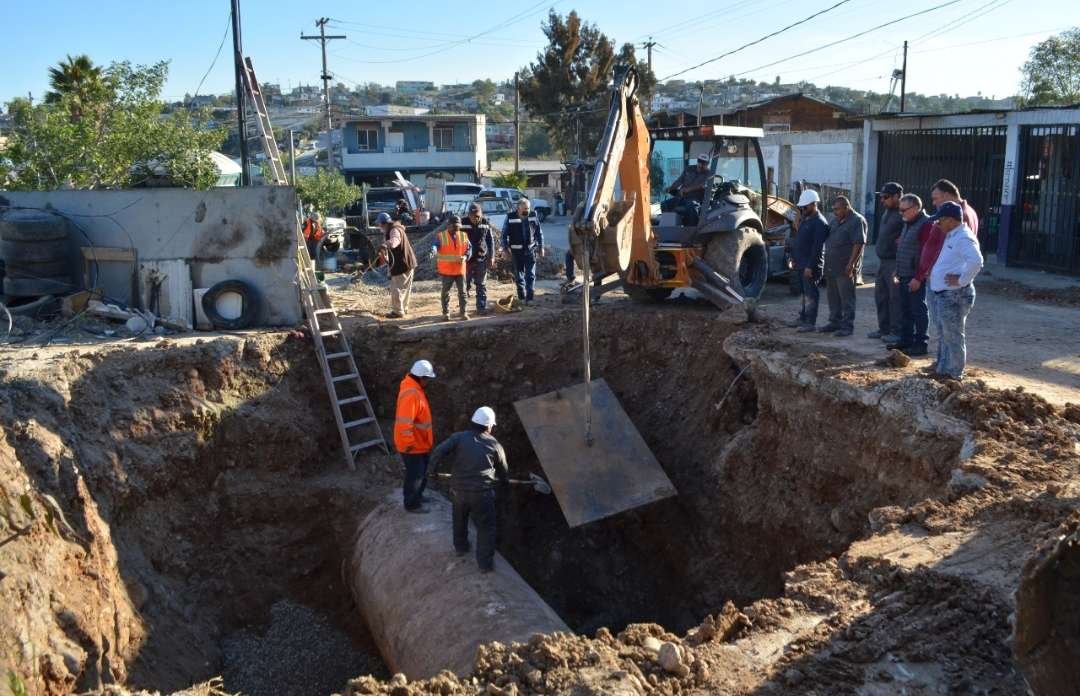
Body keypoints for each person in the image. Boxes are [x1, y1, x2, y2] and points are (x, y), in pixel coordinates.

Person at [429, 406, 509, 573]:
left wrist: (432, 472)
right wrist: (504, 484)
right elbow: (503, 471)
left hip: (458, 490)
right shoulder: (495, 445)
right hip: (482, 494)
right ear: (488, 426)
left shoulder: (458, 438)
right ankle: (484, 565)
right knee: (486, 528)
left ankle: (461, 547)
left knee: (459, 519)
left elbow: (438, 451)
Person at [926, 202, 983, 381]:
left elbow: (976, 260)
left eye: (940, 221)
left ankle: (954, 373)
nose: (937, 224)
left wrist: (961, 280)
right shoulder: (952, 235)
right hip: (943, 293)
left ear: (950, 220)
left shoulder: (963, 237)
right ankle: (943, 368)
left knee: (953, 335)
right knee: (944, 334)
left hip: (954, 295)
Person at [889, 194, 932, 356]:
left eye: (903, 210)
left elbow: (925, 254)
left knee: (918, 310)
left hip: (915, 276)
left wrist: (918, 278)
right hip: (904, 273)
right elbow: (904, 248)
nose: (901, 213)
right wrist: (897, 270)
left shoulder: (926, 224)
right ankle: (906, 341)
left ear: (915, 208)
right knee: (905, 310)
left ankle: (921, 344)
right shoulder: (908, 222)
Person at [820, 196, 867, 337]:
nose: (834, 212)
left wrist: (851, 264)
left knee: (846, 298)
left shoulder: (857, 221)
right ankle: (834, 322)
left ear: (846, 207)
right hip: (832, 266)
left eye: (837, 209)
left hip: (845, 266)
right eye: (833, 209)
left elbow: (859, 243)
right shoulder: (835, 221)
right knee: (833, 296)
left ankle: (847, 326)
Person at [394, 360, 437, 513]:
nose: (429, 382)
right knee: (415, 475)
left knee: (422, 472)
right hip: (412, 445)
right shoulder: (411, 394)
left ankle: (418, 496)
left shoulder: (415, 389)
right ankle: (411, 504)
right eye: (428, 379)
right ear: (421, 377)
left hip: (420, 443)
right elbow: (404, 422)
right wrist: (409, 443)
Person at [787, 189, 830, 332]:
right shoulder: (806, 219)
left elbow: (817, 248)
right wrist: (794, 258)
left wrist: (810, 267)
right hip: (801, 263)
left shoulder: (820, 223)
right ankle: (803, 317)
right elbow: (799, 241)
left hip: (810, 266)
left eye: (805, 207)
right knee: (804, 293)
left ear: (813, 204)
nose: (802, 209)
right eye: (801, 207)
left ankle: (810, 322)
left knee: (811, 294)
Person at [870, 182, 904, 343]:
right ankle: (883, 329)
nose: (882, 200)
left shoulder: (903, 213)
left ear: (897, 196)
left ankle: (896, 331)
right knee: (881, 296)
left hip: (894, 262)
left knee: (895, 298)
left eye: (886, 197)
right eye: (881, 197)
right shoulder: (887, 212)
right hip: (883, 262)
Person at [501, 199, 544, 304]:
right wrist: (505, 249)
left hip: (530, 250)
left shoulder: (533, 215)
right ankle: (521, 297)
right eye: (525, 209)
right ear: (518, 208)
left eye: (528, 208)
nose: (527, 211)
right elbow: (504, 234)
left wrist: (541, 247)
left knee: (530, 275)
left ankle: (530, 298)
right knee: (519, 275)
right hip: (516, 251)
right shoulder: (510, 217)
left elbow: (539, 232)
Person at [376, 211, 417, 319]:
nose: (379, 226)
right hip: (407, 262)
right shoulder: (393, 229)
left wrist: (386, 244)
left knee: (396, 288)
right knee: (404, 288)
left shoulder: (394, 230)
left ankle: (398, 311)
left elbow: (395, 240)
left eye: (379, 224)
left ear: (384, 223)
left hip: (402, 264)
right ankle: (403, 308)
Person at [434, 214, 471, 321]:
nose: (456, 229)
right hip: (447, 270)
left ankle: (463, 312)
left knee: (463, 292)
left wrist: (465, 256)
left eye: (458, 227)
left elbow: (469, 249)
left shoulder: (464, 235)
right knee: (445, 292)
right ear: (448, 225)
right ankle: (445, 313)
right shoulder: (441, 236)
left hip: (460, 270)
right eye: (454, 227)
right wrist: (433, 250)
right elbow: (436, 245)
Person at [460, 203, 495, 315]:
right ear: (468, 215)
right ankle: (463, 309)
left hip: (481, 258)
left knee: (481, 285)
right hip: (467, 260)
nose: (475, 218)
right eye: (472, 216)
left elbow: (490, 241)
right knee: (465, 286)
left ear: (481, 214)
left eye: (478, 216)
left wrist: (492, 256)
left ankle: (481, 307)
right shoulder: (462, 223)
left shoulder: (485, 222)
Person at [661, 154, 711, 225]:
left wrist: (688, 189)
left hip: (696, 198)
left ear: (707, 164)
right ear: (697, 161)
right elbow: (679, 180)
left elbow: (703, 185)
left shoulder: (709, 173)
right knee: (664, 204)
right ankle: (669, 226)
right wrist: (671, 188)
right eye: (700, 162)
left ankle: (692, 229)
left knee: (691, 206)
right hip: (682, 197)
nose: (701, 165)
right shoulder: (689, 169)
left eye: (704, 163)